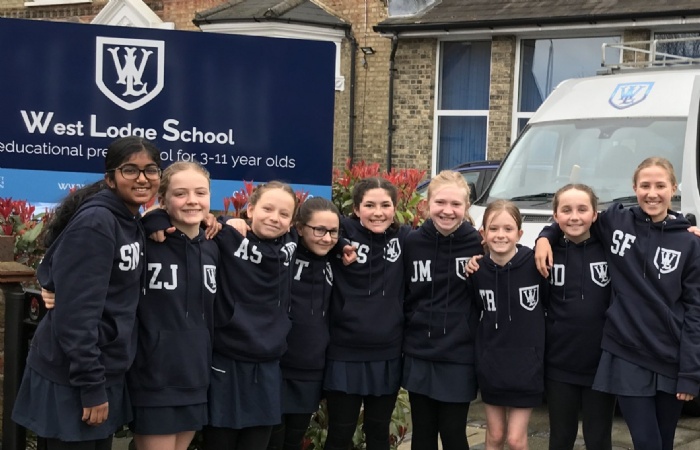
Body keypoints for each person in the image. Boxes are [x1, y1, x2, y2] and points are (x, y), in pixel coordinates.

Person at [535, 157, 700, 450]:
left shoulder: (689, 243)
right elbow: (573, 221)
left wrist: (690, 372)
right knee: (646, 442)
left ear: (673, 188)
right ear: (634, 188)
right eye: (645, 185)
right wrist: (544, 237)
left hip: (670, 357)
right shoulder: (615, 221)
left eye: (660, 185)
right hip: (627, 354)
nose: (652, 193)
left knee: (664, 442)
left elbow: (695, 309)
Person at [12, 136, 161, 450]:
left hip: (100, 370)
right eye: (130, 170)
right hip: (73, 378)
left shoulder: (128, 219)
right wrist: (91, 386)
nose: (142, 178)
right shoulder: (98, 223)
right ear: (110, 178)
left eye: (151, 170)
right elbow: (77, 317)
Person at [127, 161, 219, 450]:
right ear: (162, 200)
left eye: (200, 193)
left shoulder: (214, 246)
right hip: (154, 377)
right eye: (181, 193)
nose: (192, 200)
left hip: (195, 376)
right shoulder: (142, 240)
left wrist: (228, 221)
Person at [204, 181, 298, 450]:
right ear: (250, 209)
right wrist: (222, 220)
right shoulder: (227, 236)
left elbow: (331, 229)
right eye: (267, 209)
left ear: (292, 222)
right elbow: (191, 215)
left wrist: (341, 246)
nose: (274, 218)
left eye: (284, 214)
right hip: (227, 361)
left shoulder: (291, 243)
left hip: (268, 363)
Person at [323, 177, 410, 450]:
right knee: (340, 433)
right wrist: (337, 244)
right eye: (369, 205)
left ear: (395, 208)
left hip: (387, 353)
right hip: (344, 351)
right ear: (356, 209)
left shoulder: (405, 237)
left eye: (385, 205)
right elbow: (304, 223)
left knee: (378, 433)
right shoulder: (339, 232)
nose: (378, 212)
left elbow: (452, 232)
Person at [402, 170, 483, 450]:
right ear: (426, 204)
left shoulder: (479, 244)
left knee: (453, 434)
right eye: (440, 203)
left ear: (467, 208)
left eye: (456, 204)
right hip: (419, 352)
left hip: (459, 355)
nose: (447, 211)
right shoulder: (411, 243)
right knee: (422, 435)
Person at [467, 200, 546, 450]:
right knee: (495, 436)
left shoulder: (536, 265)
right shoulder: (477, 271)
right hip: (492, 365)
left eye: (508, 229)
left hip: (526, 366)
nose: (500, 235)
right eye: (493, 228)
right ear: (483, 233)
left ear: (519, 233)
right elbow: (475, 312)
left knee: (515, 440)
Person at [543, 184, 615, 450]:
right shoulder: (546, 255)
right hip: (560, 365)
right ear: (555, 215)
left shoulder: (611, 250)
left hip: (601, 365)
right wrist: (544, 237)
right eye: (566, 210)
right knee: (561, 438)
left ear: (595, 214)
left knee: (598, 439)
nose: (574, 216)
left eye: (582, 209)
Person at [267, 197, 341, 450]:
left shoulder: (336, 260)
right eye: (319, 230)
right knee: (271, 440)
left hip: (311, 369)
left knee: (293, 441)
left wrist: (342, 244)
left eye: (333, 232)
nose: (326, 238)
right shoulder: (282, 252)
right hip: (278, 366)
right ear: (299, 228)